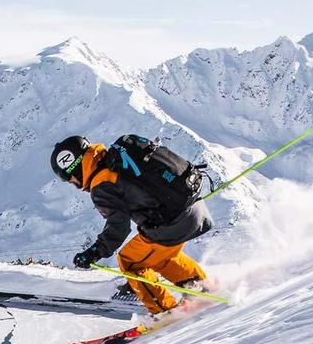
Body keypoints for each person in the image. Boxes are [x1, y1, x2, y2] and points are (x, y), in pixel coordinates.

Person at [50, 135, 214, 316]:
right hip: (193, 208)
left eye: (69, 178)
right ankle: (201, 288)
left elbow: (118, 226)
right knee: (159, 257)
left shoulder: (101, 183)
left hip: (171, 223)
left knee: (129, 261)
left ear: (75, 167)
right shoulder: (116, 161)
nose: (73, 184)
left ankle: (164, 312)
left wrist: (96, 251)